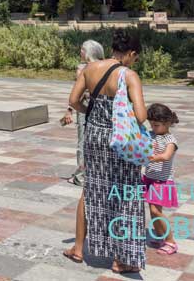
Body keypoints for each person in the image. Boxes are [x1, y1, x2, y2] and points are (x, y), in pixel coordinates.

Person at [63, 29, 147, 274]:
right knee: (126, 192)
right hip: (119, 140)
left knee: (92, 189)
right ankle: (122, 258)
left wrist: (93, 112)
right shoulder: (129, 75)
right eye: (136, 57)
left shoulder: (90, 69)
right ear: (131, 53)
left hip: (94, 136)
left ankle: (79, 248)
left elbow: (74, 100)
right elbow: (141, 116)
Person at [60, 39, 104, 186]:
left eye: (82, 50)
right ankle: (94, 173)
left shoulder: (82, 69)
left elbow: (76, 95)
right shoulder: (106, 67)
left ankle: (81, 176)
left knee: (83, 141)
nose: (80, 52)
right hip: (103, 108)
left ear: (88, 53)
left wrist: (69, 111)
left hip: (85, 107)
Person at [145, 103, 180, 255]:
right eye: (151, 124)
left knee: (155, 210)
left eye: (156, 125)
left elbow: (166, 156)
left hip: (162, 180)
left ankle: (171, 241)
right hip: (150, 178)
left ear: (167, 123)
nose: (153, 127)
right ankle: (161, 235)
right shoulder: (151, 134)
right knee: (153, 211)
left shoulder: (170, 140)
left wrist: (153, 158)